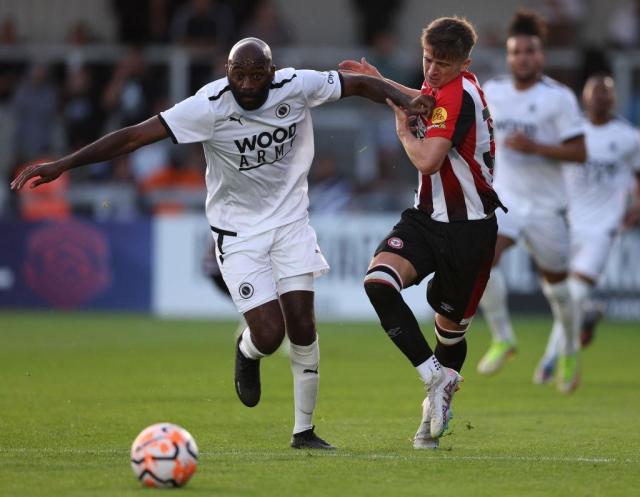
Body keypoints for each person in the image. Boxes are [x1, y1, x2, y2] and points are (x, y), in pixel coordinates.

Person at [11, 37, 432, 449]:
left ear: (272, 72)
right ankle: (247, 350)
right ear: (227, 73)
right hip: (238, 232)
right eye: (239, 75)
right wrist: (63, 164)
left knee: (303, 325)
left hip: (290, 223)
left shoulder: (297, 85)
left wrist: (406, 96)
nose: (247, 83)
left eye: (256, 75)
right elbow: (135, 136)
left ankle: (304, 432)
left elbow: (357, 83)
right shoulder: (208, 106)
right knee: (270, 334)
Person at [340, 16, 504, 449]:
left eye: (442, 64)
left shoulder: (461, 96)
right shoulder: (447, 87)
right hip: (426, 217)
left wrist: (400, 132)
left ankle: (434, 407)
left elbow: (427, 160)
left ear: (465, 62)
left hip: (469, 231)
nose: (431, 70)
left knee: (450, 332)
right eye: (427, 59)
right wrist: (383, 84)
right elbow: (424, 99)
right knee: (378, 282)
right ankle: (436, 379)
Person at [473, 10, 587, 394]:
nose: (524, 57)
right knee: (480, 259)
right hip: (505, 201)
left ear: (542, 55)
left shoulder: (558, 98)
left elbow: (580, 151)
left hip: (546, 208)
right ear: (508, 56)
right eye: (517, 51)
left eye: (531, 50)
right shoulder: (494, 91)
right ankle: (504, 338)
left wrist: (535, 146)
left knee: (556, 288)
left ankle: (569, 348)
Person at [535, 73, 640, 377]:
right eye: (595, 92)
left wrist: (636, 206)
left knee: (575, 293)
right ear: (584, 97)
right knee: (560, 295)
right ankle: (586, 319)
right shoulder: (570, 133)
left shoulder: (628, 137)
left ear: (614, 98)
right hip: (565, 222)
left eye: (606, 92)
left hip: (603, 228)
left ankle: (552, 359)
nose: (600, 97)